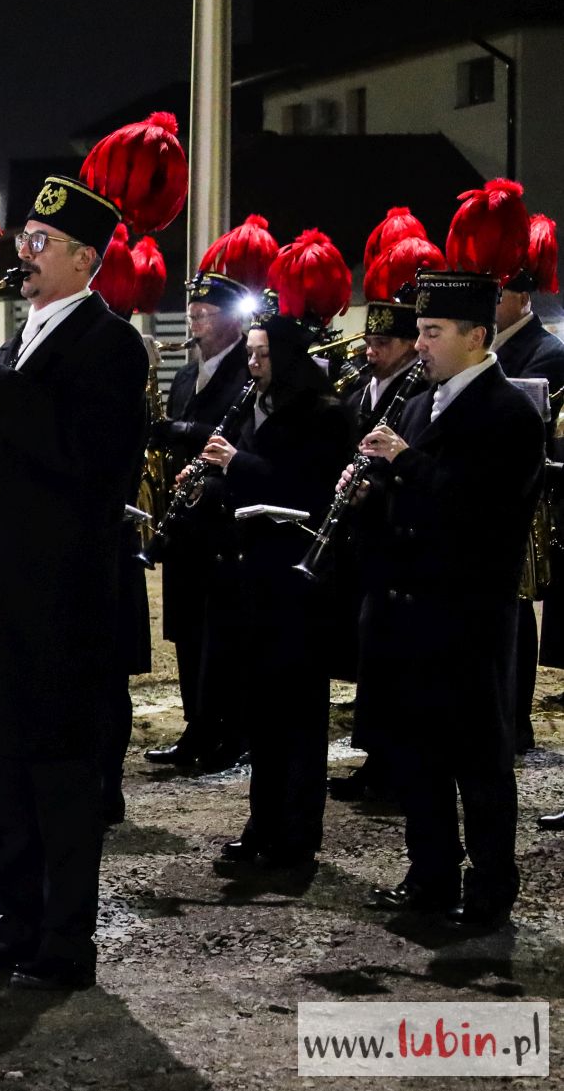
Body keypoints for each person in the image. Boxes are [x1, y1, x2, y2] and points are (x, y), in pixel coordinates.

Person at [0, 173, 148, 990]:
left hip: (61, 601)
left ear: (85, 259)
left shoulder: (111, 343)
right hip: (0, 590)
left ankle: (66, 940)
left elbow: (86, 462)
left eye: (40, 244)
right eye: (22, 239)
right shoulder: (26, 332)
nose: (22, 257)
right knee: (6, 772)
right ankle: (15, 919)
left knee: (61, 778)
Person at [355, 269, 544, 929]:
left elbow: (476, 510)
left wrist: (402, 462)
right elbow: (409, 499)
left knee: (479, 762)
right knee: (419, 756)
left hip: (467, 616)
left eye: (433, 331)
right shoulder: (414, 403)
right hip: (411, 610)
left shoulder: (509, 414)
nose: (421, 342)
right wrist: (370, 487)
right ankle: (429, 873)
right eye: (420, 330)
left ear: (477, 335)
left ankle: (490, 889)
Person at [196, 306, 352, 871]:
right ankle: (262, 825)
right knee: (261, 713)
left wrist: (238, 464)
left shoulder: (325, 415)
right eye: (250, 354)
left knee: (298, 717)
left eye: (263, 355)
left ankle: (296, 836)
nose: (254, 364)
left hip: (297, 581)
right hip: (251, 577)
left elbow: (309, 489)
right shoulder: (252, 406)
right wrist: (211, 478)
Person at [144, 271, 252, 772]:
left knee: (219, 631)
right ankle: (197, 726)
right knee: (186, 629)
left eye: (205, 316)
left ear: (231, 321)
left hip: (221, 520)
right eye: (192, 315)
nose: (195, 323)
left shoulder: (245, 373)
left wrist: (180, 429)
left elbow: (237, 432)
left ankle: (228, 731)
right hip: (185, 518)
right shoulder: (187, 374)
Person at [328, 293, 423, 804]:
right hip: (359, 539)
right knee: (367, 654)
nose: (371, 350)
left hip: (394, 542)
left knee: (392, 658)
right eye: (370, 340)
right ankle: (374, 756)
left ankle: (393, 763)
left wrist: (377, 490)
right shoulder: (360, 391)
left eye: (383, 343)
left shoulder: (417, 393)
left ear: (408, 345)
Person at [487, 205, 564, 755]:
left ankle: (514, 720)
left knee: (514, 614)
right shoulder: (487, 344)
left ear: (521, 296)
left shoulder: (547, 353)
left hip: (522, 501)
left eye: (495, 292)